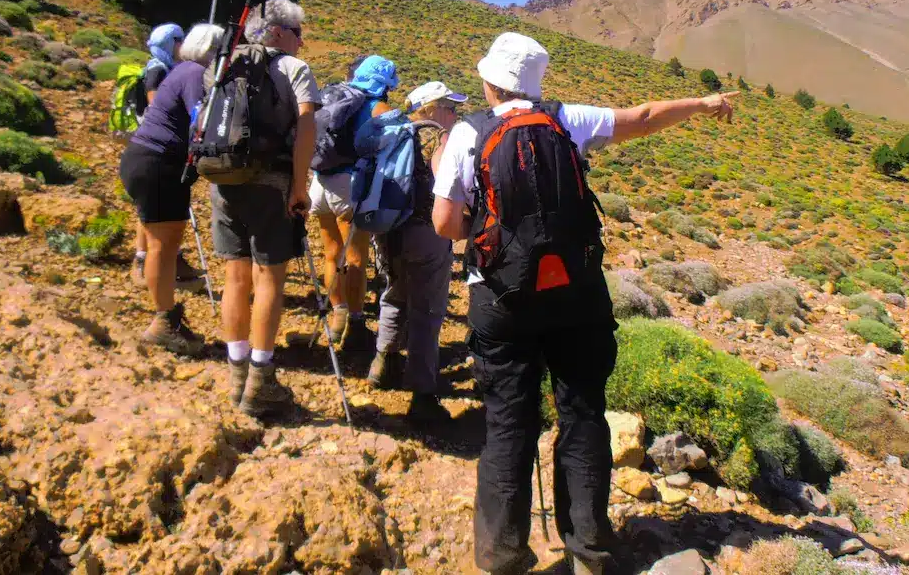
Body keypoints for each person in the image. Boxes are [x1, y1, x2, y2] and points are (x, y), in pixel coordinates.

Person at [432, 32, 738, 575]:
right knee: (583, 413)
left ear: (490, 80)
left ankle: (502, 556)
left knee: (508, 423)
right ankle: (590, 551)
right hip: (576, 294)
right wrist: (704, 103)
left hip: (500, 298)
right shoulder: (567, 119)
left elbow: (445, 224)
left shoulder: (466, 132)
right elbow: (643, 116)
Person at [210, 0, 321, 419]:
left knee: (235, 276)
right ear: (278, 32)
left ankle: (236, 373)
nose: (301, 42)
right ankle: (261, 377)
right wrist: (299, 186)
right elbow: (307, 125)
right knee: (270, 277)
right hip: (271, 182)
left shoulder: (223, 64)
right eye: (297, 33)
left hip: (224, 181)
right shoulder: (294, 69)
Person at [119, 22, 225, 356]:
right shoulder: (194, 73)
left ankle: (165, 317)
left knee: (160, 245)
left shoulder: (181, 70)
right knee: (162, 248)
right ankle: (164, 322)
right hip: (159, 164)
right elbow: (201, 122)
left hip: (147, 160)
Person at [367, 80, 467, 425]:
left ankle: (384, 362)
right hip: (426, 233)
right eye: (450, 107)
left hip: (388, 230)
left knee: (395, 293)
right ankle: (423, 396)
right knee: (428, 311)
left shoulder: (393, 132)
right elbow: (446, 188)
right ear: (430, 107)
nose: (455, 114)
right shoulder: (437, 137)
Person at [309, 54, 399, 350]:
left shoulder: (337, 95)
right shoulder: (376, 106)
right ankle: (357, 325)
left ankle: (338, 317)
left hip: (320, 182)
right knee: (356, 255)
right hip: (349, 186)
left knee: (331, 252)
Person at [130, 23, 204, 293]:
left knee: (163, 211)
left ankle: (167, 261)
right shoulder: (156, 69)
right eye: (178, 40)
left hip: (160, 149)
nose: (181, 45)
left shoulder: (165, 68)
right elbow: (155, 106)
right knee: (151, 211)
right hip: (156, 149)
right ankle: (143, 260)